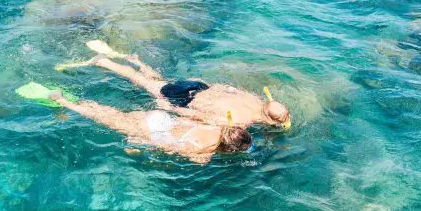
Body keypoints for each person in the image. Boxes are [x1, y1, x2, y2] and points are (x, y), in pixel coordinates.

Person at [65, 41, 292, 130]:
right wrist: (170, 109)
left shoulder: (254, 98)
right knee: (146, 84)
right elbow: (201, 118)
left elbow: (224, 87)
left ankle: (136, 61)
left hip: (199, 86)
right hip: (187, 98)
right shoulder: (242, 121)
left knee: (158, 82)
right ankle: (103, 62)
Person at [16, 82, 252, 164]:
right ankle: (64, 103)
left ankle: (75, 102)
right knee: (103, 118)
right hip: (153, 130)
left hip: (161, 118)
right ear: (229, 149)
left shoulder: (218, 124)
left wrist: (166, 107)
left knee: (110, 113)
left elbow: (188, 115)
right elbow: (170, 147)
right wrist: (140, 143)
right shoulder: (204, 153)